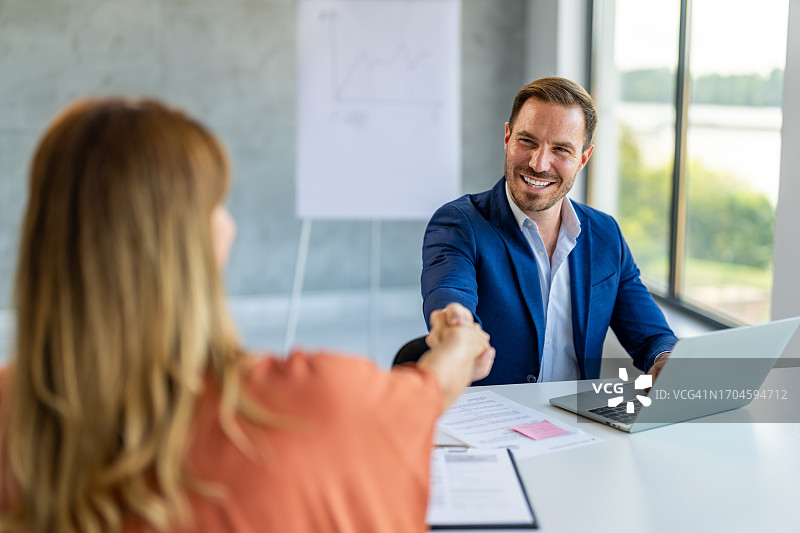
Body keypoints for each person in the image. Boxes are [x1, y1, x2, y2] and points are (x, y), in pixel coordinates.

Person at [0, 98, 495, 533]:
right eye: (216, 203)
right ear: (183, 245)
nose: (229, 225)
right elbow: (421, 397)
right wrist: (459, 345)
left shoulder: (13, 411)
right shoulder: (310, 406)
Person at [421, 77, 676, 386]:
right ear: (507, 138)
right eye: (527, 141)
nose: (539, 163)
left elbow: (652, 335)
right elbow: (450, 293)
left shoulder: (605, 234)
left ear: (583, 159)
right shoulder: (460, 224)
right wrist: (456, 323)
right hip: (489, 414)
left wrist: (665, 360)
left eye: (561, 150)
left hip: (577, 415)